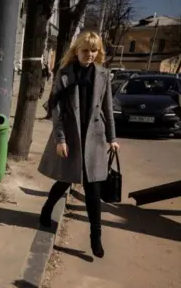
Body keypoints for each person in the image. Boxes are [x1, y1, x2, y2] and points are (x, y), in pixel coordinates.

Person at [37, 31, 120, 259]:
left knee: (93, 188)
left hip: (94, 138)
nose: (90, 55)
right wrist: (60, 139)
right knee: (64, 180)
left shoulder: (103, 75)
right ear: (77, 51)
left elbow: (107, 110)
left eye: (94, 50)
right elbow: (57, 111)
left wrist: (112, 138)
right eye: (85, 50)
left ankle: (96, 236)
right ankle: (46, 209)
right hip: (72, 137)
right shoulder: (65, 74)